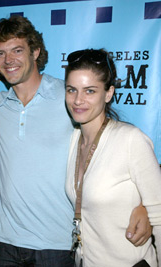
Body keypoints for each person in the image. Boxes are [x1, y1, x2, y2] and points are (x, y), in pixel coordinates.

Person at [0, 16, 152, 266]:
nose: (8, 60)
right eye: (0, 53)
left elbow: (129, 152)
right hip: (4, 242)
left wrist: (145, 206)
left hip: (57, 245)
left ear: (35, 52)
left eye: (16, 50)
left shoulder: (70, 97)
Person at [64, 48, 161, 266]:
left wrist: (146, 209)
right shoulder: (74, 139)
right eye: (72, 90)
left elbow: (160, 214)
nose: (78, 100)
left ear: (108, 93)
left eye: (89, 91)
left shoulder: (130, 140)